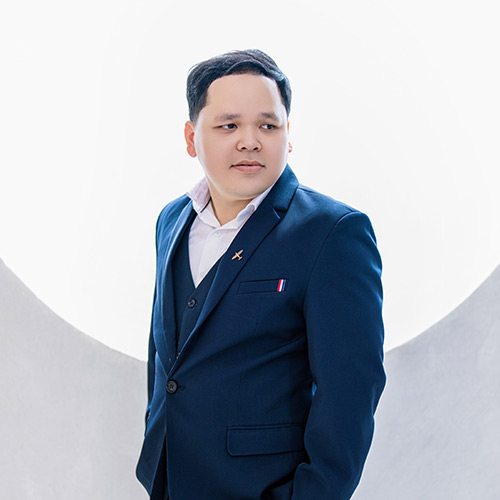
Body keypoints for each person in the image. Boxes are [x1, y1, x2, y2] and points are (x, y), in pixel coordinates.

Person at [136, 49, 385, 500]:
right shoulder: (171, 220)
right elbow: (165, 353)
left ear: (288, 136)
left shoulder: (331, 232)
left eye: (268, 126)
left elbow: (350, 394)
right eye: (229, 126)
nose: (250, 141)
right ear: (192, 137)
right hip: (169, 480)